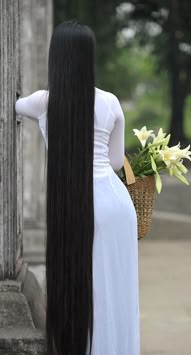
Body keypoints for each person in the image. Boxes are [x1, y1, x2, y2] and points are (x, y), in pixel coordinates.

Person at [15, 20, 140, 355]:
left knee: (83, 291)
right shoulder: (111, 102)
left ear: (57, 58)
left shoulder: (43, 101)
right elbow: (115, 162)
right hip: (115, 205)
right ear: (89, 58)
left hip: (76, 202)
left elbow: (14, 104)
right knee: (116, 290)